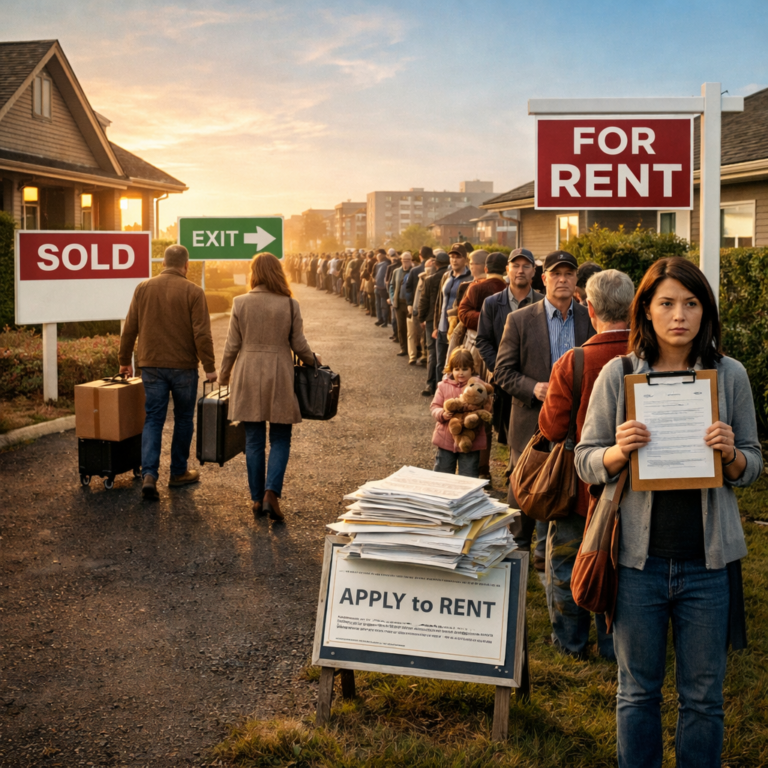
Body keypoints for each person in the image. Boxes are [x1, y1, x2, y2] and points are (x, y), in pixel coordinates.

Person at [575, 257, 763, 768]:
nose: (679, 314)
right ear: (647, 310)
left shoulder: (729, 376)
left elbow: (753, 465)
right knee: (637, 693)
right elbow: (585, 459)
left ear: (705, 311)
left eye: (691, 302)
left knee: (703, 698)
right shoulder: (619, 375)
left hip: (708, 565)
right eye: (667, 303)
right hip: (638, 564)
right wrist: (617, 452)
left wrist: (732, 454)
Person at [538, 268, 635, 660]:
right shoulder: (649, 358)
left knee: (566, 562)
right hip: (637, 489)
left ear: (588, 308)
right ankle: (615, 645)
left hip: (581, 488)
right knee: (621, 568)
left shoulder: (574, 361)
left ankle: (570, 642)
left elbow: (551, 426)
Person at [494, 249, 595, 569]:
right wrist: (533, 388)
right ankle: (518, 552)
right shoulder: (520, 319)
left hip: (577, 422)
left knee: (567, 483)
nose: (563, 279)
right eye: (556, 274)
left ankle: (551, 551)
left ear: (577, 280)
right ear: (544, 278)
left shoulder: (589, 318)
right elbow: (502, 372)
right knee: (523, 487)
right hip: (530, 421)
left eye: (569, 274)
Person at [218, 253, 319, 523]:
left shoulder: (240, 302)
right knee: (280, 439)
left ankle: (255, 498)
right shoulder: (289, 304)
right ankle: (271, 494)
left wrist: (224, 375)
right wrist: (316, 363)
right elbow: (299, 345)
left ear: (254, 273)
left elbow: (231, 345)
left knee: (252, 441)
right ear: (278, 272)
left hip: (248, 372)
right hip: (280, 375)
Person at [118, 244, 217, 500]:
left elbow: (130, 327)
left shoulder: (143, 288)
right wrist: (210, 368)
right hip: (184, 367)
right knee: (184, 418)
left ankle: (149, 475)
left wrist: (124, 360)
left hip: (150, 365)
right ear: (186, 265)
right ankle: (178, 472)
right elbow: (202, 334)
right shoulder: (194, 291)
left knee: (153, 418)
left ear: (163, 263)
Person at [477, 248, 544, 446]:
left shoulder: (544, 303)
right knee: (507, 435)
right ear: (507, 269)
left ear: (534, 271)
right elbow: (483, 340)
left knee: (533, 439)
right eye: (515, 266)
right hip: (504, 384)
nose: (520, 270)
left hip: (535, 384)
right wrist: (499, 371)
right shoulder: (492, 303)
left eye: (526, 266)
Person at [430, 348, 487, 477]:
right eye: (457, 369)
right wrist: (442, 414)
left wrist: (476, 409)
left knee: (468, 476)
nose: (460, 373)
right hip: (446, 438)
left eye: (465, 369)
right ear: (451, 369)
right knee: (442, 475)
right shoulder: (443, 386)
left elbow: (487, 407)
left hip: (471, 440)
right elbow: (435, 406)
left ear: (472, 369)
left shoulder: (478, 387)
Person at [434, 243, 473, 379]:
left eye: (458, 257)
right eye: (452, 257)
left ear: (465, 259)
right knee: (440, 363)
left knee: (456, 364)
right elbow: (439, 302)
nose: (454, 260)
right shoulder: (446, 276)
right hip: (442, 327)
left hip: (457, 329)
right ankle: (439, 393)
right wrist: (435, 325)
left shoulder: (470, 278)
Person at [418, 250, 450, 396]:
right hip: (448, 318)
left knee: (433, 353)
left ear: (435, 263)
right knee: (447, 353)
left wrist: (421, 318)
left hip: (431, 319)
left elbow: (423, 301)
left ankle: (431, 384)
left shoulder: (430, 279)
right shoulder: (450, 278)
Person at [392, 251, 414, 359]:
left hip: (410, 304)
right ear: (401, 260)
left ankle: (412, 351)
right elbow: (391, 286)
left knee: (411, 329)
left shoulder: (414, 272)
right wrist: (392, 299)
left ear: (411, 260)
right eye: (404, 260)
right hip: (399, 303)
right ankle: (403, 348)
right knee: (401, 327)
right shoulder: (396, 271)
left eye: (408, 260)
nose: (406, 262)